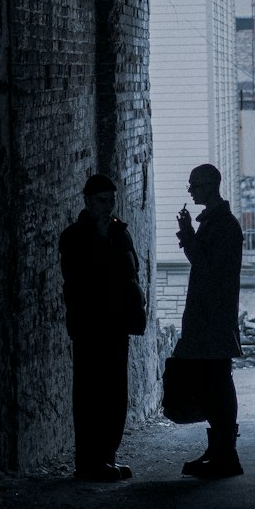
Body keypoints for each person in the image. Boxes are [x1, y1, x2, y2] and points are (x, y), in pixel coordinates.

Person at [59, 172, 147, 482]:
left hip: (115, 325)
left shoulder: (120, 233)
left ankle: (107, 457)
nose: (107, 207)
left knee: (114, 393)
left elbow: (131, 271)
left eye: (110, 201)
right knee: (89, 394)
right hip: (89, 326)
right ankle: (88, 461)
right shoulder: (74, 237)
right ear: (87, 201)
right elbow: (78, 282)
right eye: (101, 201)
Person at [174, 163, 244, 480]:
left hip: (212, 319)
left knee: (217, 386)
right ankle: (219, 452)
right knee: (213, 385)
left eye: (195, 186)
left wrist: (187, 234)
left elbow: (206, 266)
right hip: (210, 318)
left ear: (211, 186)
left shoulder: (224, 226)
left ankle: (225, 455)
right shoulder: (216, 223)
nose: (190, 191)